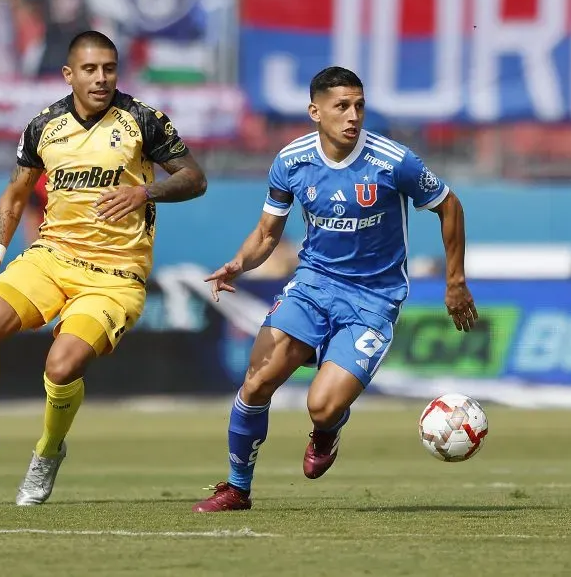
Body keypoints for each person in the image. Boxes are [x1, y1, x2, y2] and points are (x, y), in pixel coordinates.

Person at [0, 30, 207, 505]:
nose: (101, 79)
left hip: (116, 274)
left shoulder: (144, 120)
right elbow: (15, 195)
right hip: (51, 257)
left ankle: (48, 451)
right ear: (69, 74)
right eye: (91, 70)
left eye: (110, 69)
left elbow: (194, 178)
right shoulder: (44, 125)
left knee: (61, 367)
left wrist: (144, 191)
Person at [192, 66, 477, 513]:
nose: (353, 116)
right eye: (341, 106)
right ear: (315, 111)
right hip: (312, 286)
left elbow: (449, 205)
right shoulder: (291, 161)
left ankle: (327, 428)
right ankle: (236, 488)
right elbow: (268, 233)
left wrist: (455, 281)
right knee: (257, 381)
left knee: (321, 406)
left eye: (359, 106)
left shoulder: (393, 161)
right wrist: (240, 263)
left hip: (373, 300)